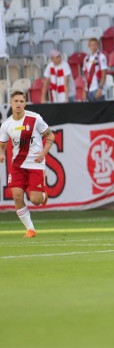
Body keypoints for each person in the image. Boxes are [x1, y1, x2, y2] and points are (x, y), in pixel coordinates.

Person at [0, 91, 55, 238]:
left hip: (35, 164)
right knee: (17, 197)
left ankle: (43, 197)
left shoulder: (34, 118)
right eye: (16, 101)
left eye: (21, 101)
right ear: (10, 103)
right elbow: (2, 144)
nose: (18, 104)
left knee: (35, 200)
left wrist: (43, 153)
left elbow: (50, 135)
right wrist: (1, 153)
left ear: (25, 103)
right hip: (17, 165)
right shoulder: (6, 125)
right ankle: (30, 229)